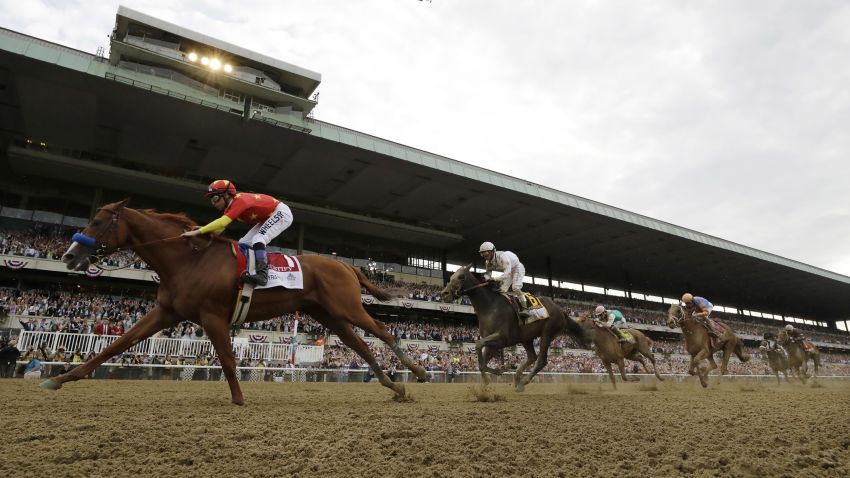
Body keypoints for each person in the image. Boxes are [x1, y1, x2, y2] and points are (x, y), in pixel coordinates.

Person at [182, 180, 294, 286]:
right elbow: (219, 230)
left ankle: (262, 275)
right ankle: (251, 270)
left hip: (281, 213)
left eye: (215, 198)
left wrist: (198, 232)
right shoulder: (230, 207)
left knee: (258, 239)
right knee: (243, 243)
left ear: (226, 195)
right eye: (211, 200)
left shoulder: (239, 201)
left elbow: (222, 223)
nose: (213, 203)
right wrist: (202, 229)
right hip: (268, 216)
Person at [478, 241, 530, 320]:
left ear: (492, 252)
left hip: (517, 269)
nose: (484, 256)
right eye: (482, 254)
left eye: (485, 253)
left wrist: (494, 279)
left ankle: (525, 309)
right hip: (508, 271)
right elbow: (488, 274)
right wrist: (486, 278)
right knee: (502, 290)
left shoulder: (503, 257)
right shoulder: (487, 262)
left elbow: (507, 274)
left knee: (515, 287)